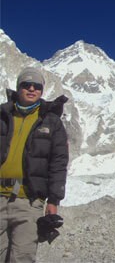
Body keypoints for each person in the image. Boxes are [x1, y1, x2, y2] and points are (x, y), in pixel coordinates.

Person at [0, 67, 69, 262]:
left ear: (42, 90)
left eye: (37, 86)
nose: (32, 89)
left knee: (22, 257)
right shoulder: (2, 116)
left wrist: (53, 201)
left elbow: (58, 163)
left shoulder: (51, 121)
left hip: (29, 201)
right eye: (26, 84)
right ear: (18, 87)